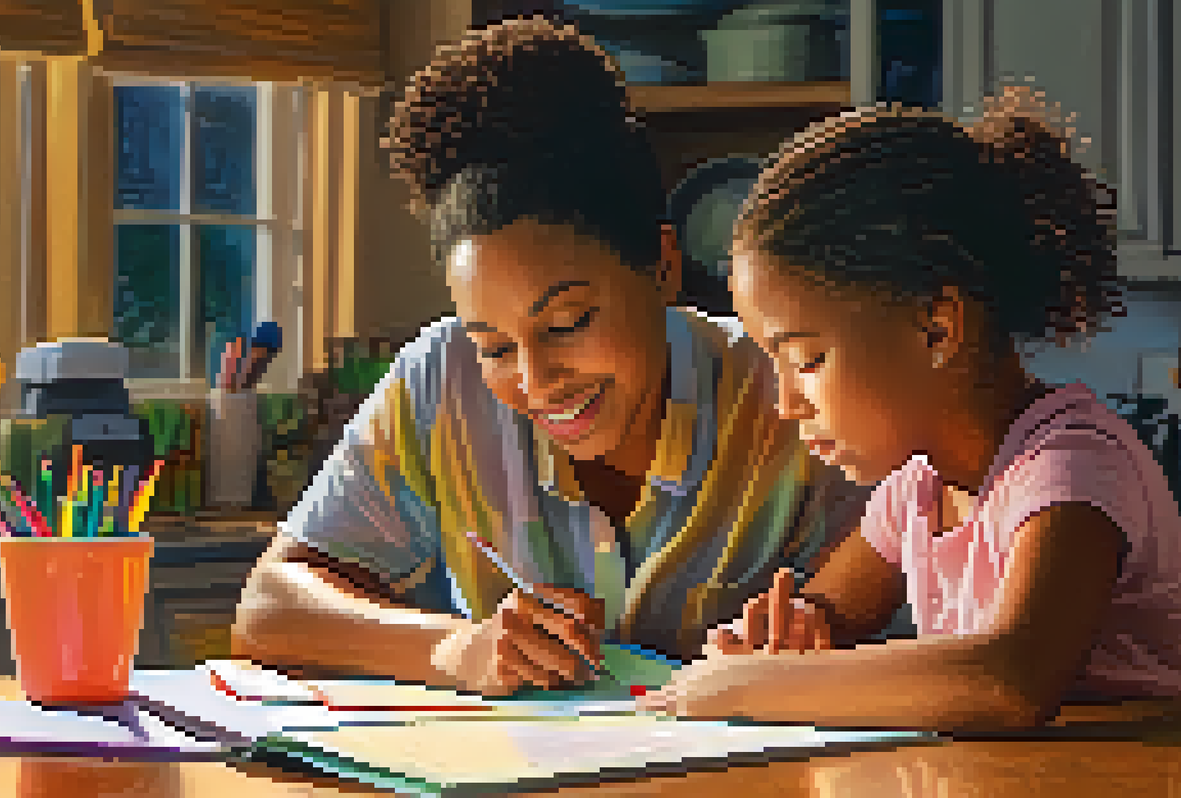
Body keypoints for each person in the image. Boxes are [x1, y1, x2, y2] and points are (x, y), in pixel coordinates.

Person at [231, 17, 870, 696]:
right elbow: (269, 608)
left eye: (568, 324)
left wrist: (813, 636)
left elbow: (894, 600)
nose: (536, 383)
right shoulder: (442, 378)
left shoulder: (791, 397)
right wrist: (454, 647)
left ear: (662, 266)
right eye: (495, 347)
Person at [639, 90, 1181, 729]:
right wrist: (790, 632)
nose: (787, 404)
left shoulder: (1071, 467)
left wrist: (753, 688)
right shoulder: (917, 492)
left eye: (808, 360)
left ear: (936, 330)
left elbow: (1009, 682)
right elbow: (827, 609)